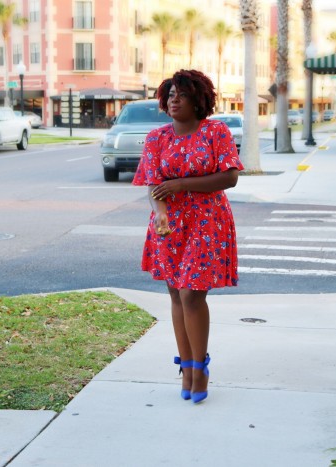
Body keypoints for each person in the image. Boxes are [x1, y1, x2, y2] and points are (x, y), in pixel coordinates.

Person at [132, 69, 244, 404]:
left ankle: (201, 368)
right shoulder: (156, 138)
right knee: (176, 297)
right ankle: (186, 366)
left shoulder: (215, 131)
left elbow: (229, 177)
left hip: (208, 222)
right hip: (168, 225)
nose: (173, 99)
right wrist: (161, 212)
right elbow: (154, 186)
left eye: (181, 94)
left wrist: (181, 185)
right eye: (169, 95)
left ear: (198, 98)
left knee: (192, 295)